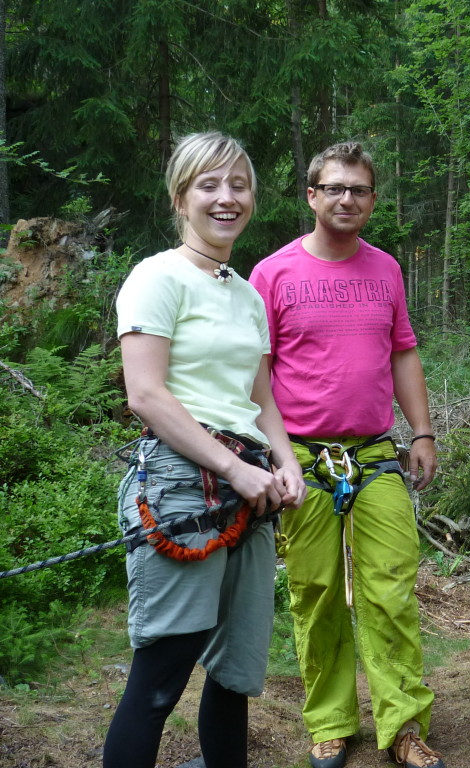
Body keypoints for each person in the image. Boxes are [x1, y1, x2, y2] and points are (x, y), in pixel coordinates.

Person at [104, 131, 307, 768]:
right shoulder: (156, 277)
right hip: (181, 484)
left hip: (248, 484)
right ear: (180, 197)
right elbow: (147, 395)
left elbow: (260, 397)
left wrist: (286, 460)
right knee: (164, 672)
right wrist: (234, 470)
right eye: (209, 185)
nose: (227, 199)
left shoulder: (246, 295)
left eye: (238, 185)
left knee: (235, 673)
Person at [249, 142, 441, 768]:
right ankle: (331, 721)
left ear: (372, 200)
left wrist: (423, 432)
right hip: (300, 456)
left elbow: (403, 351)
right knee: (317, 590)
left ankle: (404, 724)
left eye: (358, 190)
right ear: (311, 195)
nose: (346, 199)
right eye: (334, 188)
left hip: (377, 453)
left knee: (391, 588)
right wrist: (271, 458)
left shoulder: (385, 269)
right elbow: (259, 376)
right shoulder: (272, 274)